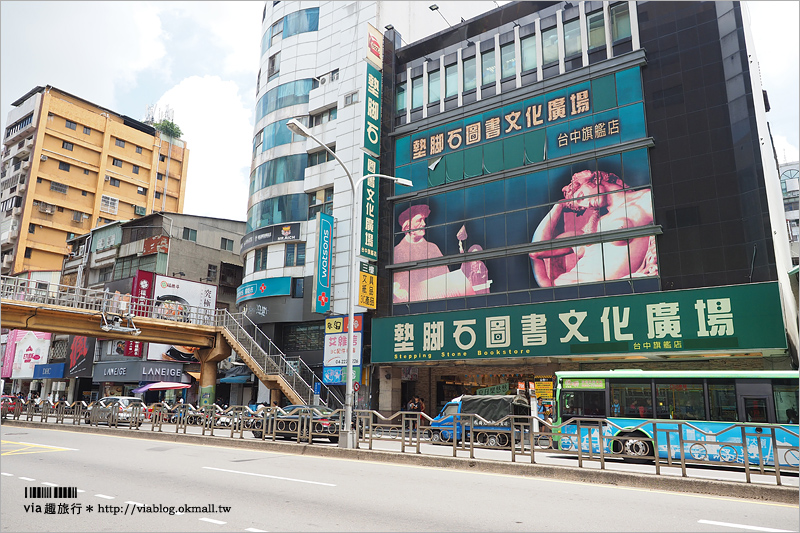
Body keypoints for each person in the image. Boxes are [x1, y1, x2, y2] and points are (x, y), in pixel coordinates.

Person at [530, 169, 656, 287]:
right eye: (581, 205)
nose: (586, 204)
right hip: (566, 291)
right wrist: (558, 207)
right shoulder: (592, 229)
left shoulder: (644, 200)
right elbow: (536, 251)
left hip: (600, 295)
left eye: (581, 196)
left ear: (593, 180)